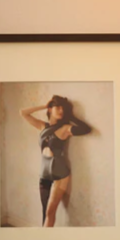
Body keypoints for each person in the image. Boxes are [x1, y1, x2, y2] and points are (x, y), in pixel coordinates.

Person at [20, 95, 91, 227]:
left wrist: (71, 117)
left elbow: (86, 129)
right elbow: (23, 113)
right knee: (44, 212)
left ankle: (46, 238)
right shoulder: (43, 126)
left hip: (60, 175)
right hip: (44, 174)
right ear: (50, 109)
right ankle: (45, 238)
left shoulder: (65, 128)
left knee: (50, 212)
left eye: (63, 108)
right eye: (57, 107)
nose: (61, 110)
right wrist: (44, 106)